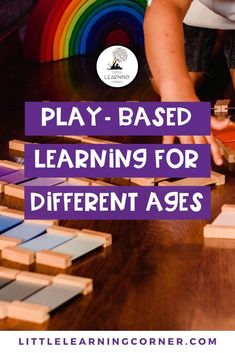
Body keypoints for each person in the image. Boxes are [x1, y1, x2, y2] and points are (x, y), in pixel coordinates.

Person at [144, 0, 235, 166]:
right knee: (170, 81)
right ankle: (215, 39)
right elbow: (166, 5)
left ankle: (223, 39)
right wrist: (176, 89)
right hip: (192, 12)